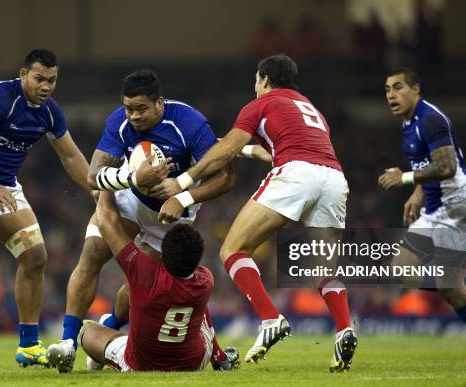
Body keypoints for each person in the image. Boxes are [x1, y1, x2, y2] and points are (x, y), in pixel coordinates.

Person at [163, 54, 357, 371]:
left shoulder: (260, 104)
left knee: (233, 248)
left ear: (264, 79)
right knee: (325, 266)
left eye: (256, 80)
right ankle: (344, 329)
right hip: (334, 178)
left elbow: (228, 148)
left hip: (297, 173)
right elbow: (258, 147)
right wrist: (246, 149)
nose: (255, 86)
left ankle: (270, 318)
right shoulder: (311, 109)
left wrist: (183, 183)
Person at [47, 69, 241, 373]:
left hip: (172, 216)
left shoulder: (189, 124)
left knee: (139, 285)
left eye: (141, 109)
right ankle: (68, 343)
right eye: (129, 108)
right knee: (92, 255)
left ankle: (109, 325)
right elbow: (92, 175)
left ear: (160, 103)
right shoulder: (119, 123)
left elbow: (227, 176)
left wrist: (183, 196)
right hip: (130, 200)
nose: (134, 116)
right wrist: (133, 178)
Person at [0, 49, 91, 367]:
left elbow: (70, 156)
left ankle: (28, 345)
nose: (46, 86)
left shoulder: (50, 112)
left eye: (52, 80)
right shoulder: (1, 98)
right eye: (39, 78)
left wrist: (96, 190)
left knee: (35, 257)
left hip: (5, 186)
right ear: (24, 74)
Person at [379, 67, 466, 362]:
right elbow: (428, 165)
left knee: (449, 286)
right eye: (387, 90)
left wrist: (404, 179)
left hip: (459, 207)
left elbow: (447, 167)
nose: (391, 95)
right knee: (401, 268)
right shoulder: (407, 124)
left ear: (416, 90)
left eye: (398, 87)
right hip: (435, 207)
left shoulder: (431, 119)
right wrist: (416, 194)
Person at [74, 191, 240, 372]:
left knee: (88, 332)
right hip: (194, 363)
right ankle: (219, 357)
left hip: (140, 364)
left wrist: (107, 186)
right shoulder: (206, 279)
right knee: (199, 306)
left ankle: (114, 345)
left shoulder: (143, 271)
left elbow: (107, 224)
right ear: (197, 257)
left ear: (164, 254)